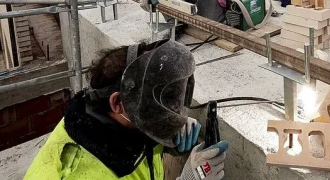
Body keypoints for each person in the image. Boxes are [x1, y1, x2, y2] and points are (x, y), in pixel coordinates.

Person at [24, 40, 229, 180]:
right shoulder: (87, 172)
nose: (171, 110)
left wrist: (164, 141)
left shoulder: (109, 123)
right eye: (159, 103)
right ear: (118, 103)